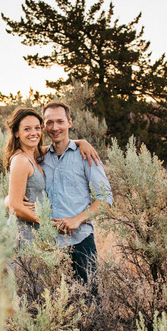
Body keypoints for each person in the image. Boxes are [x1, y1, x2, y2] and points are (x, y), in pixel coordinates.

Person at [40, 101, 112, 288]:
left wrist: (77, 220)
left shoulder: (86, 155)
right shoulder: (39, 157)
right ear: (43, 126)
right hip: (47, 244)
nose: (55, 127)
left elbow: (105, 199)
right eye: (49, 122)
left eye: (60, 121)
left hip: (80, 241)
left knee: (89, 301)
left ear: (69, 123)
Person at [3, 107, 48, 244]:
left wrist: (81, 143)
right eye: (27, 129)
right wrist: (48, 224)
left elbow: (56, 148)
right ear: (17, 133)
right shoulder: (21, 160)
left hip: (34, 233)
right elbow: (15, 206)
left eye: (37, 128)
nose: (34, 133)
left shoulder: (33, 155)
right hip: (22, 235)